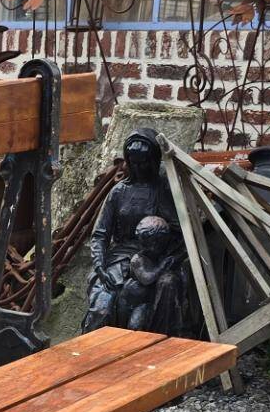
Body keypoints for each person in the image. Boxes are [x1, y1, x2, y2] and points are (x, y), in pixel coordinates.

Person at [82, 130, 194, 338]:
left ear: (153, 161)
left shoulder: (164, 189)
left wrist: (168, 258)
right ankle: (95, 350)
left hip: (154, 256)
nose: (139, 168)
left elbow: (182, 233)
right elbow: (100, 234)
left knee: (166, 284)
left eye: (143, 163)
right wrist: (100, 266)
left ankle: (158, 345)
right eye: (133, 163)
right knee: (103, 306)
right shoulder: (119, 191)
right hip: (119, 258)